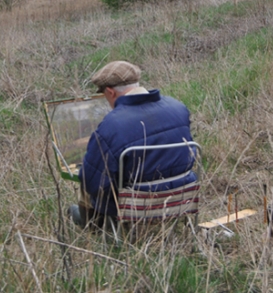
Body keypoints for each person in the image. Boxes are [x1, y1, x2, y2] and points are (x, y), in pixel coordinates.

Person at [70, 60, 197, 228]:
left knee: (87, 179)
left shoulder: (112, 124)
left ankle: (94, 225)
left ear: (110, 92)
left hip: (136, 207)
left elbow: (93, 182)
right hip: (182, 197)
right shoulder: (178, 107)